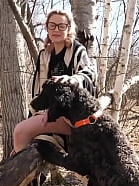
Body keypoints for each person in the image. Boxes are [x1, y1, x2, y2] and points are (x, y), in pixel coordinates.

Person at [13, 9, 97, 153]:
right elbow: (39, 90)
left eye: (61, 26)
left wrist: (72, 80)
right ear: (47, 27)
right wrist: (35, 114)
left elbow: (90, 73)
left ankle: (30, 174)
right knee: (24, 134)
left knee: (20, 132)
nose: (56, 30)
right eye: (52, 25)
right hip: (50, 113)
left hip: (74, 117)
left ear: (68, 28)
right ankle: (34, 173)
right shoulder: (44, 55)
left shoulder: (77, 50)